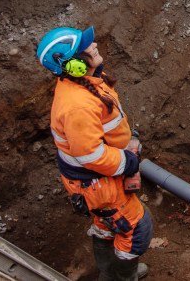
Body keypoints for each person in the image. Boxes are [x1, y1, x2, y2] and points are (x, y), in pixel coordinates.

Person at [37, 26, 151, 281]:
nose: (94, 45)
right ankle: (121, 278)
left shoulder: (87, 81)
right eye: (86, 46)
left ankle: (107, 274)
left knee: (106, 223)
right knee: (137, 230)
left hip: (93, 180)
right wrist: (127, 162)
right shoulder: (77, 105)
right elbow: (91, 156)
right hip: (96, 181)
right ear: (73, 64)